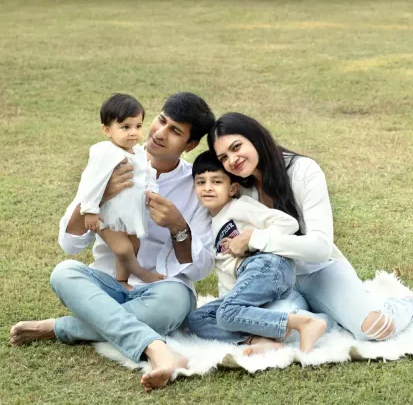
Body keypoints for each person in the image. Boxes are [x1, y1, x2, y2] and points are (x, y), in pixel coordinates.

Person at [10, 92, 216, 392]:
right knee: (64, 273)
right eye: (161, 121)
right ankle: (157, 348)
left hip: (161, 289)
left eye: (175, 131)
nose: (159, 133)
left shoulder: (198, 185)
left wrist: (178, 227)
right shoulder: (110, 160)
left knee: (175, 302)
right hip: (108, 285)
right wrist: (99, 197)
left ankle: (61, 328)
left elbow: (199, 269)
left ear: (190, 145)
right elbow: (70, 243)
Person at [206, 112, 413, 343]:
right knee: (270, 326)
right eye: (224, 158)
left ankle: (406, 304)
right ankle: (324, 318)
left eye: (237, 147)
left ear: (255, 138)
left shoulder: (303, 170)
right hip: (275, 280)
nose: (233, 160)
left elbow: (320, 248)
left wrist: (255, 239)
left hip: (318, 270)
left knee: (374, 328)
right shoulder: (238, 190)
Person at [188, 151, 327, 354]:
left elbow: (288, 223)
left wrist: (251, 239)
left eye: (216, 182)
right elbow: (225, 271)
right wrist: (230, 300)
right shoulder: (209, 225)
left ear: (232, 188)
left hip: (269, 265)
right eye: (201, 182)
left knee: (227, 313)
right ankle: (256, 339)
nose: (208, 188)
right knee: (198, 319)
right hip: (249, 277)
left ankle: (302, 323)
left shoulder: (239, 207)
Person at [77, 93, 164, 284]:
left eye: (138, 126)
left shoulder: (139, 152)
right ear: (107, 130)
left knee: (134, 244)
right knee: (123, 249)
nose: (133, 132)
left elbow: (147, 173)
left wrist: (152, 191)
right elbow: (92, 181)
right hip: (107, 214)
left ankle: (122, 280)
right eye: (125, 127)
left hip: (130, 212)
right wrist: (90, 210)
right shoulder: (106, 153)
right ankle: (142, 274)